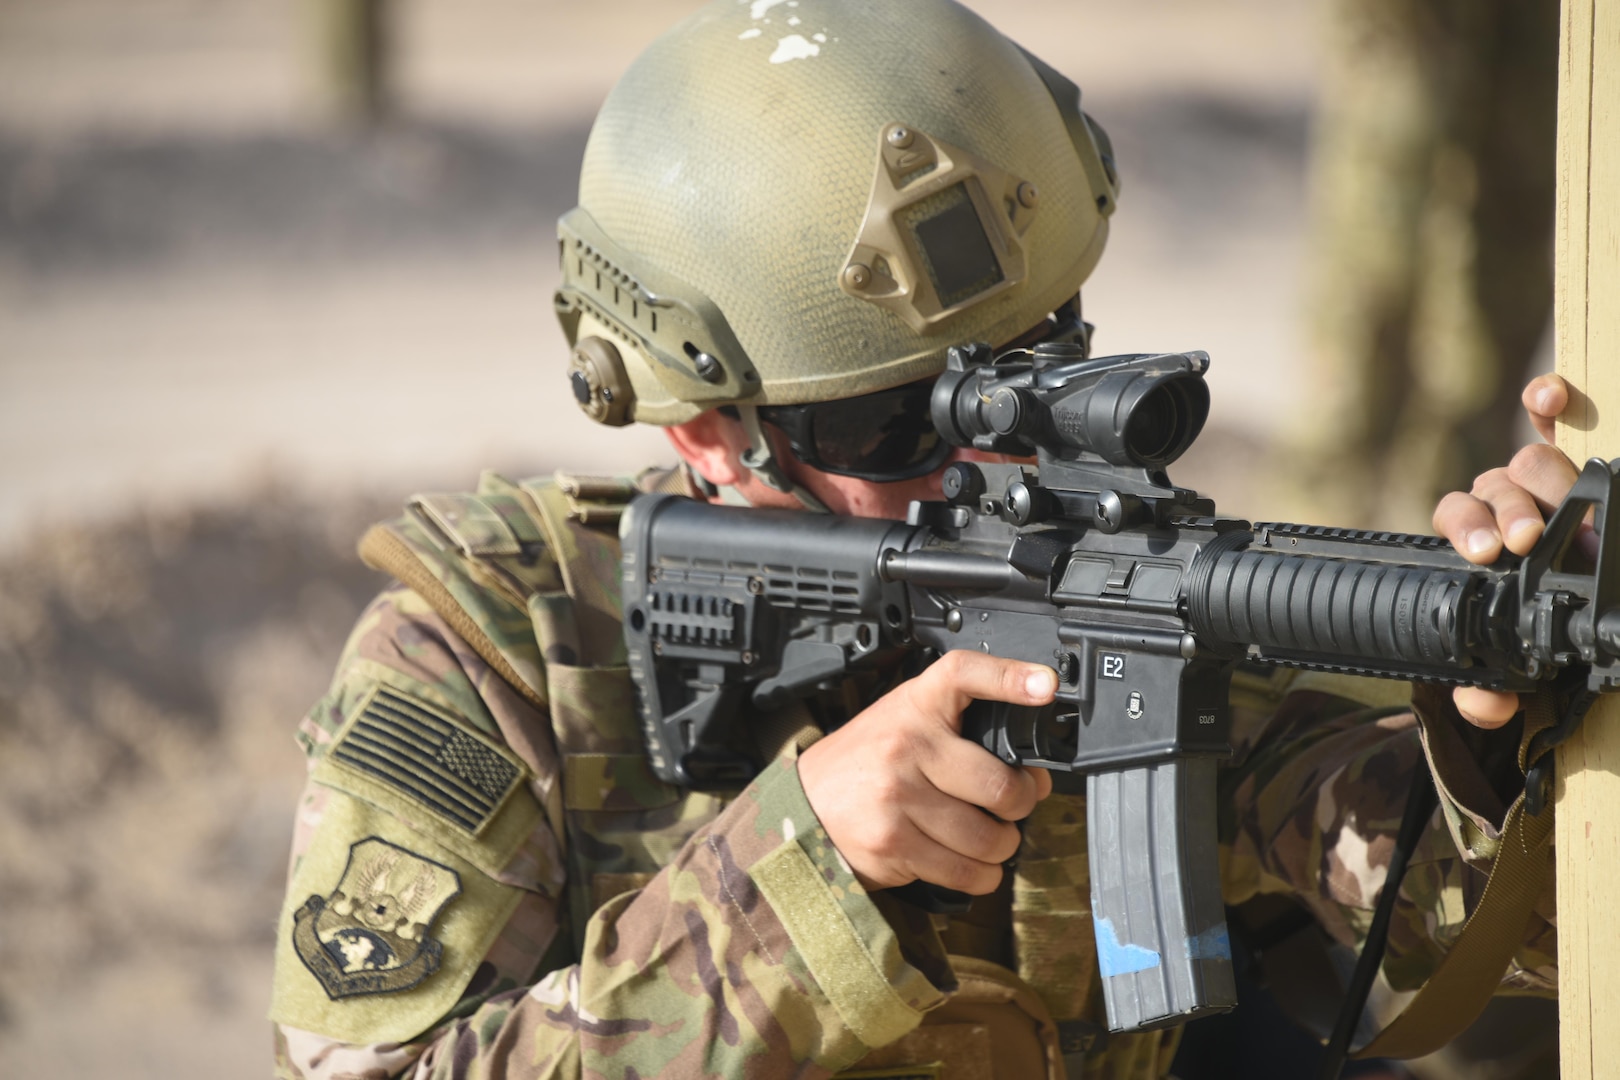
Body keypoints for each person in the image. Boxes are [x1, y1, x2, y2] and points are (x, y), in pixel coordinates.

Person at [268, 3, 1567, 1077]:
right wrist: (803, 869)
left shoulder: (1120, 598)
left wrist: (1498, 734)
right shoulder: (504, 644)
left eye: (1038, 362)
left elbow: (1458, 913)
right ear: (710, 432)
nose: (996, 456)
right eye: (897, 424)